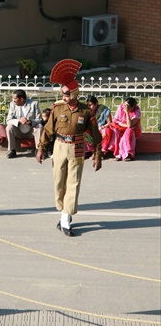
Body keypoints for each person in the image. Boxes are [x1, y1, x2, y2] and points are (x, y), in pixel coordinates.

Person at [36, 59, 102, 237]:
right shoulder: (57, 109)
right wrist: (41, 148)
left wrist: (97, 156)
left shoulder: (86, 112)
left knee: (73, 183)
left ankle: (65, 218)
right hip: (59, 146)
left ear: (74, 93)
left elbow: (95, 135)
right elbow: (48, 129)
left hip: (77, 147)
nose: (64, 97)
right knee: (59, 182)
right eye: (63, 94)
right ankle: (63, 208)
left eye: (66, 94)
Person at [5, 89, 43, 158]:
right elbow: (8, 120)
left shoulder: (34, 104)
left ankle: (38, 150)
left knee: (39, 126)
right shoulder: (12, 105)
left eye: (15, 98)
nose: (13, 100)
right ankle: (12, 150)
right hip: (18, 130)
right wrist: (19, 121)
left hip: (31, 130)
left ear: (21, 99)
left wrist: (31, 122)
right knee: (9, 127)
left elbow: (39, 119)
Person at [108, 97, 142, 161]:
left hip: (132, 130)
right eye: (125, 105)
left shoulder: (137, 112)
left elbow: (130, 125)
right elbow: (116, 120)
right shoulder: (121, 107)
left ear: (133, 107)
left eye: (127, 106)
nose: (125, 107)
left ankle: (128, 154)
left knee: (128, 132)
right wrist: (124, 125)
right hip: (120, 127)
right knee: (115, 131)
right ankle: (118, 154)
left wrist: (127, 112)